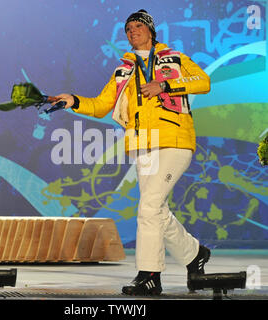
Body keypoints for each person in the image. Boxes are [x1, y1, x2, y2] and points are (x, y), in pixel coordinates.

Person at [52, 9, 211, 296]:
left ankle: (149, 274)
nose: (132, 31)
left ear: (150, 31)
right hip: (142, 144)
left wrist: (165, 85)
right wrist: (73, 100)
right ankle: (194, 254)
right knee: (155, 209)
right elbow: (101, 105)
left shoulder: (174, 59)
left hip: (175, 140)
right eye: (128, 29)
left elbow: (203, 81)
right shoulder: (122, 70)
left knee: (148, 208)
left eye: (138, 26)